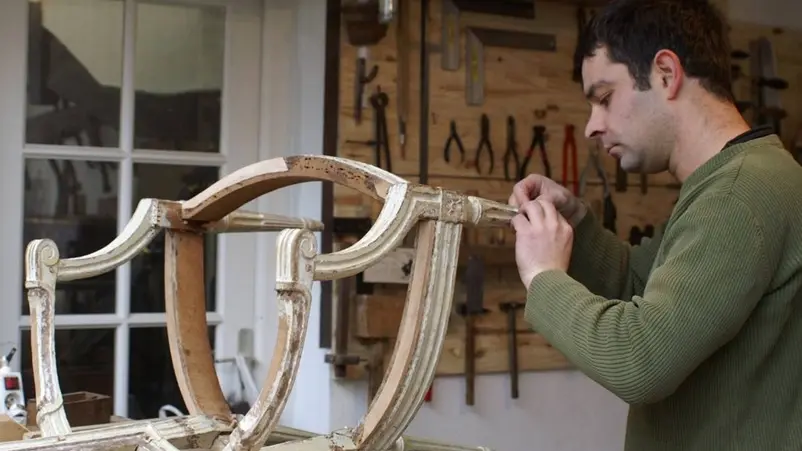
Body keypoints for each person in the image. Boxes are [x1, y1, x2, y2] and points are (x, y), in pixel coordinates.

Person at [509, 0, 802, 450]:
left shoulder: (737, 193)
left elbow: (640, 360)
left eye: (604, 99)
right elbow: (642, 286)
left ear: (666, 73)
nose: (591, 127)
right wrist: (578, 227)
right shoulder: (727, 182)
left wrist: (542, 277)